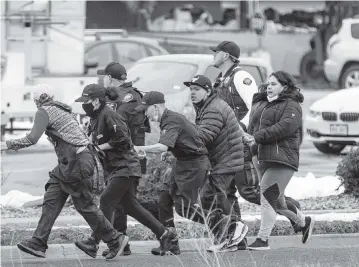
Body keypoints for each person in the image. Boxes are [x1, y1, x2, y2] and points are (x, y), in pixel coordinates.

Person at [0, 84, 126, 260]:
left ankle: (115, 239)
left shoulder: (44, 111)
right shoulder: (61, 110)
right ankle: (38, 242)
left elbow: (32, 138)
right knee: (52, 197)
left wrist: (5, 145)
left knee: (85, 205)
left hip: (77, 162)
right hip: (74, 162)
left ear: (37, 100)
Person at [133, 91, 247, 255]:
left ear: (156, 107)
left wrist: (141, 148)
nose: (145, 114)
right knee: (164, 198)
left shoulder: (171, 120)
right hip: (181, 162)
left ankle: (231, 225)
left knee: (184, 209)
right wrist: (172, 151)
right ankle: (170, 243)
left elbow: (163, 146)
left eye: (146, 110)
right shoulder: (168, 119)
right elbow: (179, 142)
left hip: (194, 166)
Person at [210, 41, 301, 244]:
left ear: (226, 55)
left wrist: (242, 129)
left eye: (216, 52)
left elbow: (255, 106)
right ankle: (236, 237)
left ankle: (292, 210)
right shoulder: (220, 79)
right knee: (226, 190)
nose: (213, 55)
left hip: (241, 141)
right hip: (225, 144)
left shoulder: (240, 77)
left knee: (249, 190)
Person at [73, 84, 177, 257]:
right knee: (131, 206)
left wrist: (98, 147)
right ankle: (165, 234)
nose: (84, 105)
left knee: (106, 200)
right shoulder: (96, 117)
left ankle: (98, 242)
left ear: (97, 102)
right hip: (116, 167)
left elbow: (123, 139)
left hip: (125, 166)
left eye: (87, 101)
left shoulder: (110, 115)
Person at [245, 71, 315, 250]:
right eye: (268, 83)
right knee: (278, 202)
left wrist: (257, 137)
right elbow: (252, 127)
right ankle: (303, 221)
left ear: (285, 86)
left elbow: (284, 127)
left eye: (274, 84)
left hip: (281, 159)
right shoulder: (261, 103)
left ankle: (263, 240)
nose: (269, 86)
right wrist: (250, 147)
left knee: (267, 197)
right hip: (260, 157)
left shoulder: (292, 105)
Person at [186, 75, 249, 252]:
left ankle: (232, 229)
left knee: (209, 196)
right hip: (225, 158)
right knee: (224, 196)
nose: (192, 93)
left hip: (225, 159)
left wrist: (181, 142)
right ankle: (236, 239)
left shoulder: (213, 109)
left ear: (207, 91)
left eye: (196, 89)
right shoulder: (209, 105)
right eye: (191, 89)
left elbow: (204, 137)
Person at [98, 62, 149, 256]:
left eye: (104, 77)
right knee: (125, 201)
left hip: (125, 155)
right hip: (127, 154)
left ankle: (163, 230)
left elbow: (118, 129)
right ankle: (122, 242)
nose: (103, 80)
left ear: (110, 78)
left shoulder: (121, 98)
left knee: (122, 201)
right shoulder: (131, 95)